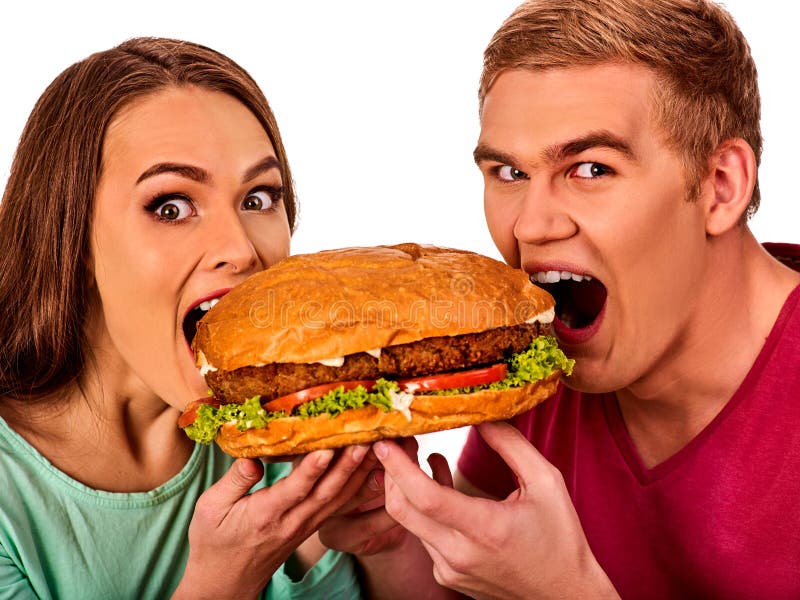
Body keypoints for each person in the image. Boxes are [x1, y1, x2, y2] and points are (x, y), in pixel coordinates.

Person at [322, 0, 800, 598]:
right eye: (509, 173)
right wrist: (393, 540)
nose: (529, 227)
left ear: (721, 186)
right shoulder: (536, 369)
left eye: (591, 169)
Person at [0, 36, 382, 599]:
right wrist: (223, 580)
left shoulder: (287, 444)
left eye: (259, 198)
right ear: (69, 240)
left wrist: (391, 540)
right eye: (171, 206)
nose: (242, 249)